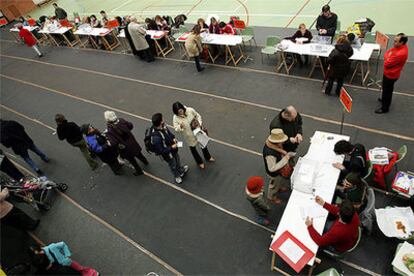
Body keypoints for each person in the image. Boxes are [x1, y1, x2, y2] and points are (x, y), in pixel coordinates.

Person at [105, 111, 148, 176]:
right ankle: (145, 161)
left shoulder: (110, 130)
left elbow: (114, 143)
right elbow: (130, 125)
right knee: (139, 154)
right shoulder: (121, 120)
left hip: (125, 149)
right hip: (132, 142)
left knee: (132, 161)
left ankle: (139, 171)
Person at [172, 102, 214, 169]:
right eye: (178, 112)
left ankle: (208, 157)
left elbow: (198, 116)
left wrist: (199, 124)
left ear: (182, 108)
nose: (180, 113)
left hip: (198, 132)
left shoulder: (190, 110)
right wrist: (180, 127)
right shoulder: (175, 118)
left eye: (181, 111)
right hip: (189, 136)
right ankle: (200, 162)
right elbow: (176, 129)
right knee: (193, 149)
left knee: (203, 145)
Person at [150, 113, 189, 184]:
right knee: (173, 165)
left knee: (177, 160)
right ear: (160, 121)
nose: (164, 119)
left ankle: (181, 170)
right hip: (168, 155)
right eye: (162, 118)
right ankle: (177, 176)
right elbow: (161, 150)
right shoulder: (156, 138)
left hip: (173, 149)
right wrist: (172, 147)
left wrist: (173, 138)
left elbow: (169, 133)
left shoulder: (163, 125)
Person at [375, 33, 409, 114]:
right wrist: (388, 56)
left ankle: (385, 108)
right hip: (388, 73)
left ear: (402, 43)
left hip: (391, 75)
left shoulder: (400, 53)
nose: (394, 43)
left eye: (396, 41)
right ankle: (384, 99)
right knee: (385, 88)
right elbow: (388, 53)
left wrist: (387, 57)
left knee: (388, 91)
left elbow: (387, 63)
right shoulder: (399, 47)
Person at [263, 129, 294, 204]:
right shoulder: (270, 153)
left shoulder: (273, 145)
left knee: (278, 182)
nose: (283, 142)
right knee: (273, 186)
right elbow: (272, 168)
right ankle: (271, 197)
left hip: (278, 172)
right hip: (274, 174)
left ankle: (278, 188)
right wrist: (285, 159)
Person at [30, 242, 99, 276]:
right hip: (60, 267)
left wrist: (67, 254)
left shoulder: (51, 247)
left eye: (40, 251)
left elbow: (62, 244)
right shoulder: (41, 258)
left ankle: (92, 273)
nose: (41, 253)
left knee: (80, 268)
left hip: (67, 262)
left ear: (41, 247)